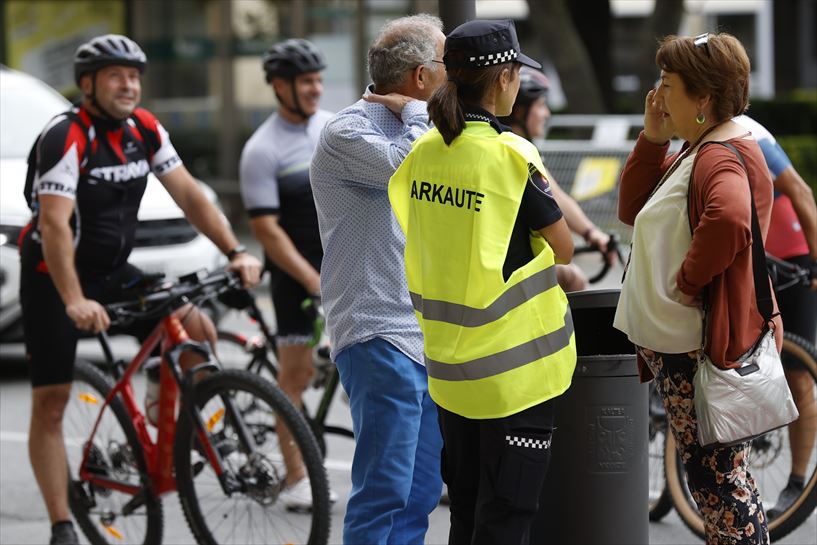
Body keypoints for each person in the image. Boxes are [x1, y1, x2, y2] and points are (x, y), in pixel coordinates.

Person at [19, 34, 261, 545]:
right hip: (54, 279)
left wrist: (235, 250)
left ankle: (165, 432)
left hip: (112, 270)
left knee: (195, 326)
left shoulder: (143, 128)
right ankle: (63, 522)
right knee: (52, 401)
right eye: (115, 75)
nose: (128, 84)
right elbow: (56, 228)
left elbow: (190, 194)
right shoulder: (65, 137)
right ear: (88, 84)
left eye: (134, 76)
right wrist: (73, 301)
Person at [389, 19, 577, 544]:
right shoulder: (510, 155)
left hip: (450, 370)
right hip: (515, 377)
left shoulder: (424, 152)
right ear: (503, 79)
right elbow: (563, 247)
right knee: (508, 516)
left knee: (467, 513)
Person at [613, 32, 780, 544]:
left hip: (698, 352)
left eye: (667, 85)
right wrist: (654, 135)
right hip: (691, 351)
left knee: (719, 486)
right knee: (722, 483)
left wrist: (687, 281)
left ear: (702, 97)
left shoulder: (717, 156)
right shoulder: (701, 147)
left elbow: (729, 220)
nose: (657, 96)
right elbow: (632, 209)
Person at [309, 14, 446, 544]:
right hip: (376, 330)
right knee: (385, 488)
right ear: (418, 76)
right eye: (444, 65)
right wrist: (417, 115)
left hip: (423, 332)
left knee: (420, 490)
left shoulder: (428, 127)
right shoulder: (349, 130)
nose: (452, 75)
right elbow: (406, 167)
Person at [238, 38, 334, 510]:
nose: (315, 89)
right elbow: (266, 231)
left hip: (346, 267)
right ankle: (298, 479)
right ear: (280, 87)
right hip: (295, 277)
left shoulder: (333, 128)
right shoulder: (262, 149)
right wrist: (311, 279)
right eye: (305, 82)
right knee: (292, 377)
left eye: (318, 80)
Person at [732, 115, 817, 518]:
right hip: (754, 249)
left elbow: (799, 190)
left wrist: (816, 263)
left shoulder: (746, 131)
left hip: (791, 249)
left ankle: (798, 480)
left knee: (798, 372)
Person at [499, 66, 618, 291]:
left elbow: (556, 195)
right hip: (508, 263)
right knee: (573, 279)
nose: (547, 114)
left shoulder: (522, 148)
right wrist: (588, 235)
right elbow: (564, 247)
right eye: (541, 105)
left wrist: (591, 233)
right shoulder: (514, 151)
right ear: (521, 112)